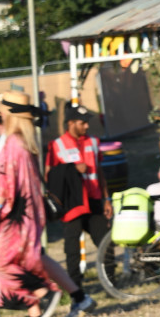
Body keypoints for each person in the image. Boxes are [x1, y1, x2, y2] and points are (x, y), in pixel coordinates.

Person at [0, 96, 96, 317]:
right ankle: (35, 308)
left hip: (17, 214)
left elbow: (6, 184)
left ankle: (43, 293)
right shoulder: (24, 143)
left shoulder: (12, 145)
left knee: (3, 260)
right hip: (26, 212)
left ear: (7, 117)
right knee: (19, 258)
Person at [46, 103, 113, 290]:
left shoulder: (93, 142)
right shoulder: (56, 146)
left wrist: (106, 199)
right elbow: (50, 175)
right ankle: (75, 287)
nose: (86, 126)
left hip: (94, 200)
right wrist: (72, 169)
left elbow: (99, 172)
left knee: (105, 241)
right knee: (72, 249)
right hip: (72, 203)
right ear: (71, 123)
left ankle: (112, 281)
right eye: (83, 123)